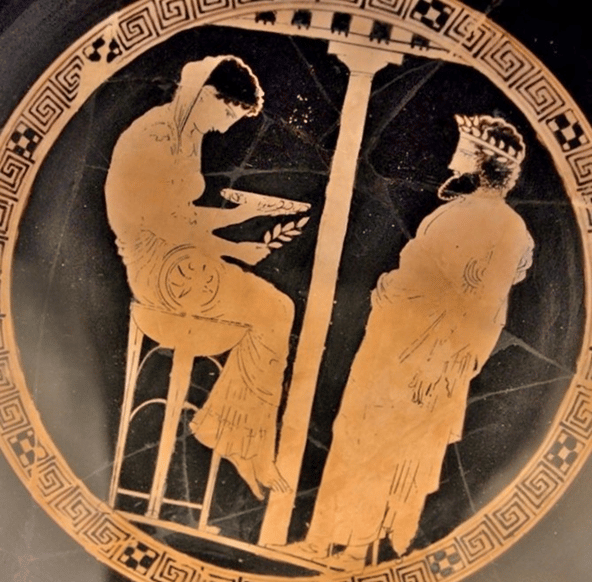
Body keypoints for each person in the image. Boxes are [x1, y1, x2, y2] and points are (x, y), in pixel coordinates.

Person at [288, 114, 535, 566]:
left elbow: (477, 303)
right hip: (408, 342)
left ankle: (359, 548)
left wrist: (442, 357)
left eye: (463, 150)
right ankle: (326, 539)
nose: (452, 158)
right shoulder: (483, 219)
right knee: (362, 434)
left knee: (385, 444)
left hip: (423, 351)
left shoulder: (490, 223)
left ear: (482, 162)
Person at [105, 56, 294, 500]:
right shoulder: (157, 136)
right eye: (228, 113)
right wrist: (234, 243)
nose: (229, 127)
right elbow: (165, 224)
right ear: (208, 95)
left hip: (174, 262)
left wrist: (236, 219)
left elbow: (181, 219)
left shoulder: (180, 132)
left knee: (272, 310)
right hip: (162, 274)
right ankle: (237, 440)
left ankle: (235, 435)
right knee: (275, 311)